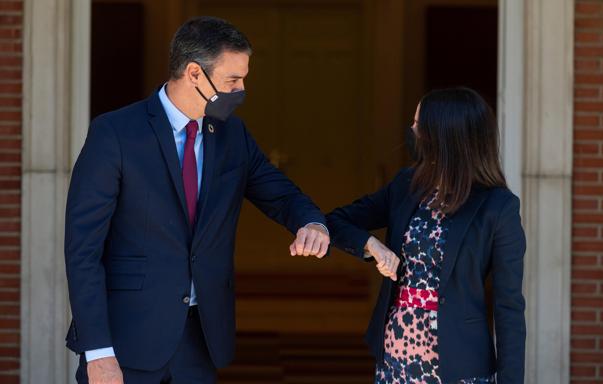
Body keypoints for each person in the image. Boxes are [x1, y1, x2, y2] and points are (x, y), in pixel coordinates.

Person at [64, 16, 330, 384]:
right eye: (232, 80)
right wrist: (98, 351)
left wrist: (311, 222)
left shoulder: (231, 134)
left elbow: (280, 192)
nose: (241, 89)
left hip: (199, 342)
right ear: (193, 73)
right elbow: (83, 250)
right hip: (126, 343)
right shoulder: (115, 134)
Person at [327, 87, 526, 383]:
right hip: (396, 356)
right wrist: (370, 245)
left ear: (444, 134)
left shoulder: (498, 207)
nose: (412, 130)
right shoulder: (407, 185)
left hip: (459, 364)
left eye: (419, 124)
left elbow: (508, 307)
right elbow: (336, 221)